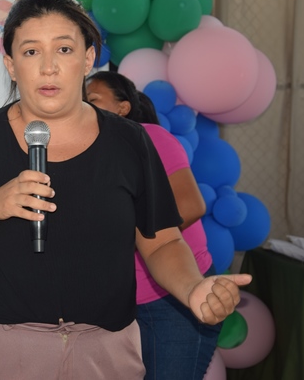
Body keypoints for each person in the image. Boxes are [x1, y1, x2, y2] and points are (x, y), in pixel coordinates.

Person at [0, 0, 251, 380]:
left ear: (88, 59)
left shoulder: (131, 142)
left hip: (105, 352)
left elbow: (162, 243)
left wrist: (192, 288)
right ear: (11, 65)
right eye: (31, 52)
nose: (48, 67)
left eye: (64, 49)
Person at [86, 71, 221, 380]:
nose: (84, 106)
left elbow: (191, 206)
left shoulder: (149, 137)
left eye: (92, 99)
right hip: (126, 305)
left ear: (122, 108)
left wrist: (119, 239)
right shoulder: (90, 155)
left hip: (174, 300)